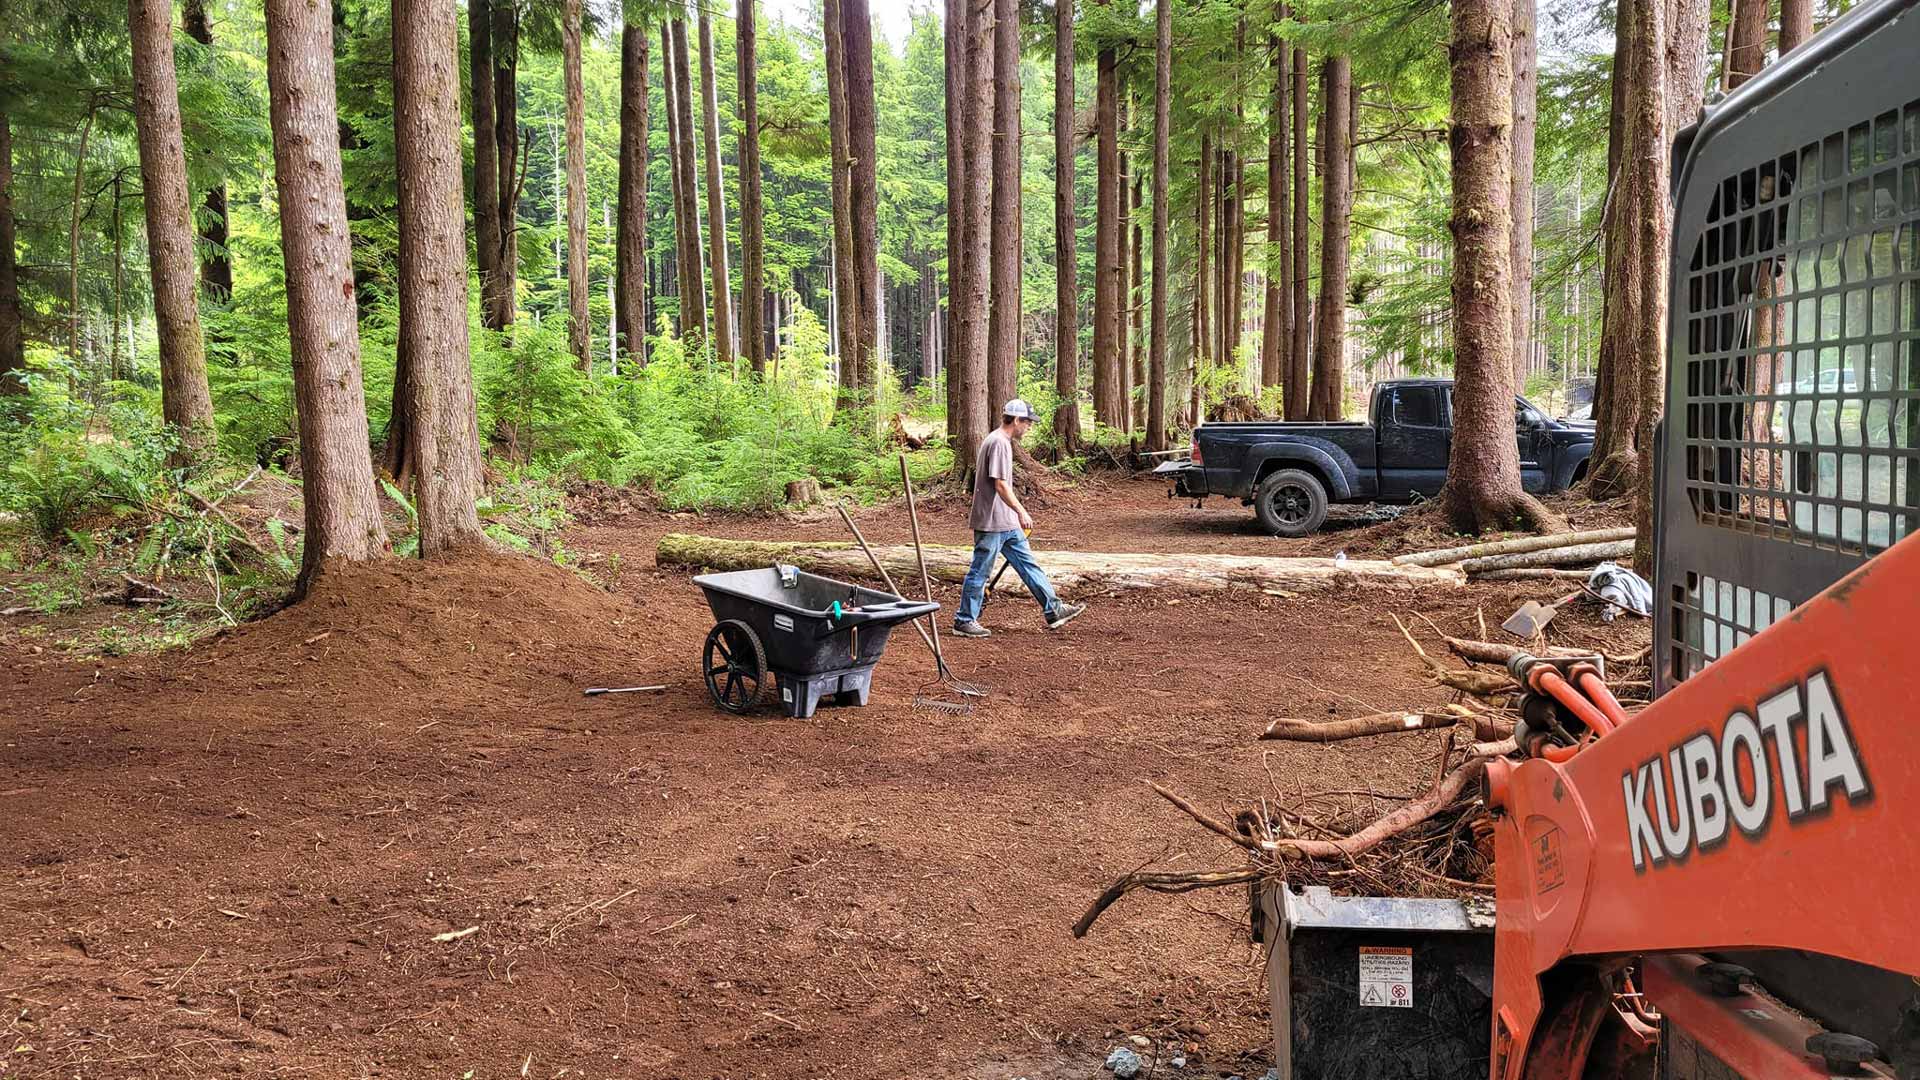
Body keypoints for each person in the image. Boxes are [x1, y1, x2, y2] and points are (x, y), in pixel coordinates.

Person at [952, 400, 1086, 638]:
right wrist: (1021, 511)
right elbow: (1001, 485)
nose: (1029, 428)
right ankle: (964, 620)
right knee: (980, 570)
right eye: (1027, 423)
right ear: (1016, 421)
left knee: (1028, 564)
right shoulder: (998, 443)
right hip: (992, 522)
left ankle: (1054, 609)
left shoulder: (1001, 441)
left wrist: (1014, 515)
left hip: (1006, 522)